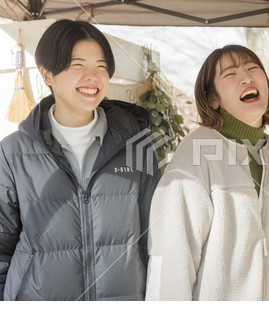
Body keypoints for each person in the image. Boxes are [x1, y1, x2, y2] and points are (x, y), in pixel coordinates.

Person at [0, 19, 161, 300]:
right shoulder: (13, 153)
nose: (93, 77)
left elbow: (156, 238)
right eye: (78, 65)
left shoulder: (138, 146)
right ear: (47, 74)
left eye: (101, 67)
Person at [146, 45, 269, 300]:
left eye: (253, 68)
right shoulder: (196, 154)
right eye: (230, 74)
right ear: (212, 99)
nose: (247, 77)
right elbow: (172, 259)